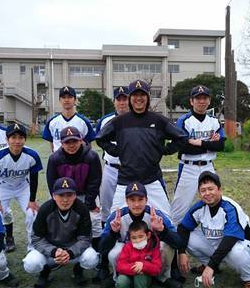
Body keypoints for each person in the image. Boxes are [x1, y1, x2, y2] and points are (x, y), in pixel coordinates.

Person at [96, 79, 187, 217]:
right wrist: (116, 151)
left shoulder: (158, 120)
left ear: (148, 97)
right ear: (130, 98)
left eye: (142, 95)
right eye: (135, 95)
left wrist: (164, 150)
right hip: (125, 179)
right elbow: (100, 138)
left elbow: (181, 137)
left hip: (152, 178)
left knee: (166, 218)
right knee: (115, 220)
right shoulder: (119, 121)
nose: (139, 98)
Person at [177, 171, 250, 288]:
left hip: (243, 245)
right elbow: (182, 228)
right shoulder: (200, 207)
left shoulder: (230, 207)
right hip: (219, 243)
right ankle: (210, 266)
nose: (207, 193)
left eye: (211, 189)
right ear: (199, 194)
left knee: (235, 252)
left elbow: (230, 239)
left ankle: (248, 278)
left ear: (220, 190)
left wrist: (211, 265)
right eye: (203, 190)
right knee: (188, 238)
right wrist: (181, 252)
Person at [98, 181, 183, 288]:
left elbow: (178, 242)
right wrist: (113, 233)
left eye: (140, 199)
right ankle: (118, 276)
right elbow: (101, 248)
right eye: (132, 200)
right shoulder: (117, 216)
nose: (137, 204)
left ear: (147, 200)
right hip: (128, 256)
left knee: (165, 246)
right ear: (126, 201)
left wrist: (163, 230)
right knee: (115, 252)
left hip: (151, 255)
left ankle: (163, 277)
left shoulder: (156, 215)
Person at [23, 177, 99, 288]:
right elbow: (37, 238)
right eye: (61, 195)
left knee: (91, 258)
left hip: (72, 248)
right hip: (50, 249)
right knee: (31, 263)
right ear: (53, 196)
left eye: (69, 195)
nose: (65, 200)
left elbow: (85, 238)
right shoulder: (45, 209)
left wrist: (70, 252)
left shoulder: (81, 209)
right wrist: (53, 251)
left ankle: (77, 271)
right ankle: (45, 272)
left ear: (75, 195)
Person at [170, 85, 225, 225]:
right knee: (179, 207)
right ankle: (174, 238)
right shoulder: (184, 120)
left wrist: (199, 143)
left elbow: (220, 145)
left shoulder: (214, 121)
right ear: (191, 101)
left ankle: (212, 232)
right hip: (188, 168)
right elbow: (183, 147)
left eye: (204, 98)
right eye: (198, 98)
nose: (201, 101)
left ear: (209, 101)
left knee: (214, 201)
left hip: (208, 166)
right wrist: (209, 144)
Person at [0, 123, 43, 252]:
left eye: (20, 137)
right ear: (7, 140)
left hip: (23, 187)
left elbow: (34, 178)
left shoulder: (32, 155)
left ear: (25, 139)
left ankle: (32, 248)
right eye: (13, 137)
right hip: (3, 188)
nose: (17, 141)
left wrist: (32, 200)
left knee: (32, 214)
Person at [46, 126, 102, 246]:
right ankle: (61, 247)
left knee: (93, 219)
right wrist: (60, 202)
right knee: (59, 219)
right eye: (67, 142)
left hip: (87, 194)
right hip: (64, 195)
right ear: (61, 143)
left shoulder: (91, 156)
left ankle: (97, 249)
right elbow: (52, 185)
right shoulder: (55, 159)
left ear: (81, 140)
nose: (71, 145)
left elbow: (94, 182)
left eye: (74, 141)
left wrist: (89, 205)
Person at [96, 86, 129, 224]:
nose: (122, 103)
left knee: (129, 202)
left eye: (125, 99)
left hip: (130, 168)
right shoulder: (105, 120)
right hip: (111, 168)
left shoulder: (137, 119)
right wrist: (114, 150)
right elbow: (99, 140)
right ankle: (106, 233)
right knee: (106, 204)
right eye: (119, 99)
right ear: (114, 102)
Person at [116, 220, 161, 288]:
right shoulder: (127, 247)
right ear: (130, 237)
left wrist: (144, 265)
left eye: (141, 236)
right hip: (129, 275)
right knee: (121, 281)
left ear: (148, 235)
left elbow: (157, 268)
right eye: (134, 238)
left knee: (140, 273)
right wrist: (135, 267)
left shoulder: (153, 247)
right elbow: (120, 266)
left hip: (144, 278)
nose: (137, 240)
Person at [42, 86, 95, 152]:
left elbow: (88, 144)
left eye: (70, 97)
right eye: (63, 97)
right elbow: (52, 145)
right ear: (59, 100)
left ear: (75, 100)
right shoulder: (52, 122)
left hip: (79, 160)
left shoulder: (84, 122)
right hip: (59, 160)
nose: (66, 100)